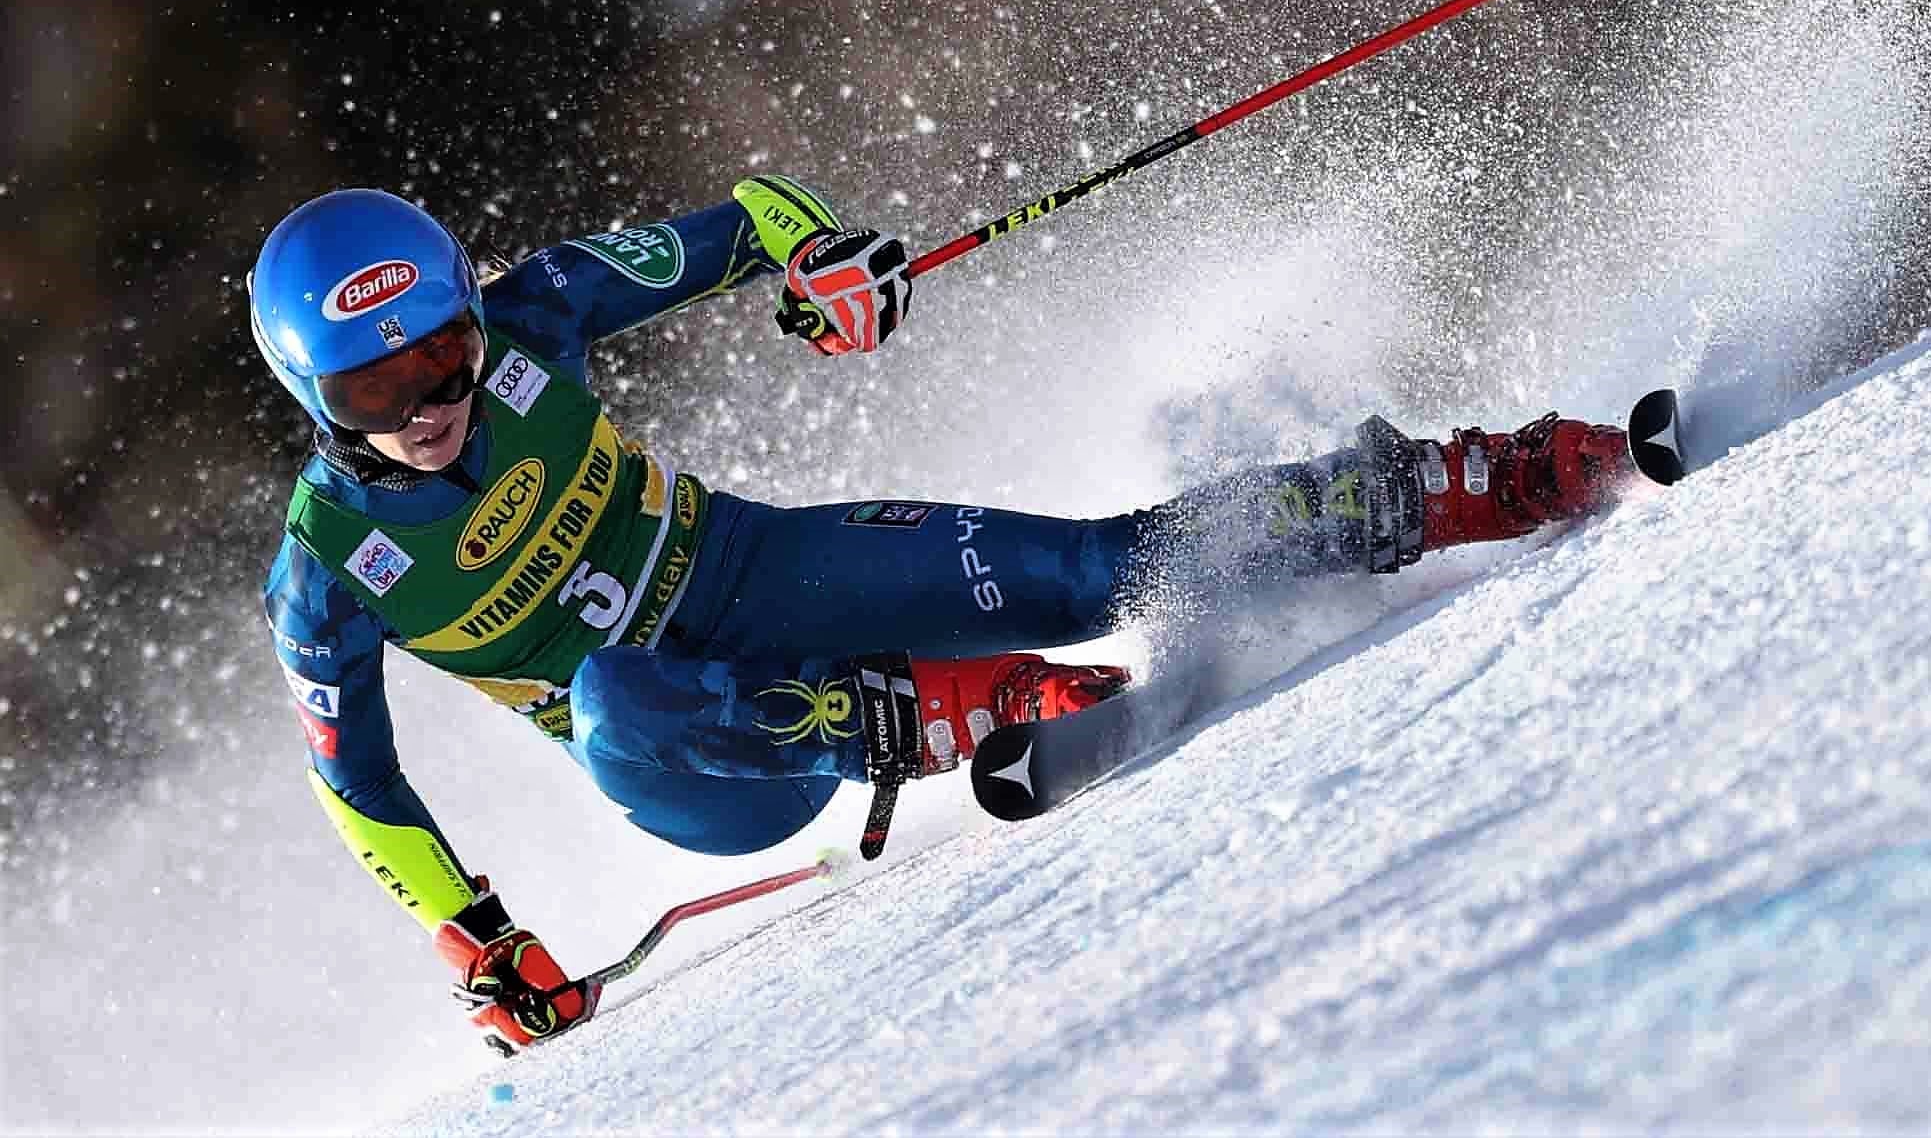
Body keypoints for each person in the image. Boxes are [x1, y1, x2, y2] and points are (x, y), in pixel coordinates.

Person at [252, 181, 1638, 1053]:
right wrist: (477, 938)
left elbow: (751, 219)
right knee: (613, 690)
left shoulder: (536, 315)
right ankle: (953, 709)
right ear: (316, 401)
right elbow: (356, 780)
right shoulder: (327, 568)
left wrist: (828, 266)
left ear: (470, 317)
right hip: (705, 766)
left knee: (1098, 569)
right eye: (377, 392)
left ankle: (1445, 487)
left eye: (444, 354)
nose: (428, 404)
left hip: (752, 570)